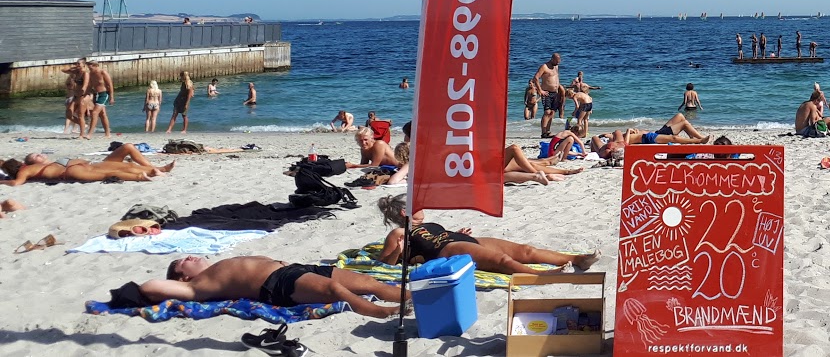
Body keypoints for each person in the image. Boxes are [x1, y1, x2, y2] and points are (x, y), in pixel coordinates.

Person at [377, 195, 597, 275]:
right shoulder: (398, 232)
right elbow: (383, 264)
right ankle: (541, 275)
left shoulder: (429, 223)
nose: (422, 205)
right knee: (502, 261)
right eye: (416, 204)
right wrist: (397, 249)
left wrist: (457, 232)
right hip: (446, 250)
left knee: (525, 250)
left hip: (457, 239)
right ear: (405, 212)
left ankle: (578, 259)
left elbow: (433, 234)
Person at [143, 255, 402, 319]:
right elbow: (151, 285)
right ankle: (377, 311)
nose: (190, 257)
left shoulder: (214, 267)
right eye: (183, 263)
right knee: (334, 290)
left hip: (296, 268)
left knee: (370, 282)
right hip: (277, 283)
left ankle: (413, 297)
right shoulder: (199, 286)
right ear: (182, 279)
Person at [3, 144, 177, 185]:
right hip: (73, 172)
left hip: (85, 166)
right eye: (35, 156)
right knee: (109, 173)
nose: (39, 155)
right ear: (23, 164)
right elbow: (16, 182)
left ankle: (156, 170)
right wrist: (3, 181)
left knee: (124, 165)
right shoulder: (25, 171)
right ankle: (142, 176)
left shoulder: (51, 163)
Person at [590, 114, 712, 158]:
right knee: (683, 124)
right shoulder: (618, 141)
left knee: (680, 116)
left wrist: (633, 131)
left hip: (655, 133)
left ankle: (695, 138)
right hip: (651, 137)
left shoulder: (620, 139)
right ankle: (699, 140)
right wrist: (630, 132)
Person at [536, 53, 562, 138]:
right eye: (556, 62)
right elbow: (536, 78)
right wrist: (540, 90)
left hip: (555, 92)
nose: (557, 64)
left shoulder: (556, 67)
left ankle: (548, 131)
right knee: (547, 112)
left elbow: (556, 78)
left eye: (559, 62)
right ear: (552, 59)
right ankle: (543, 132)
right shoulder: (544, 67)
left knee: (552, 112)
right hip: (546, 92)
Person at [61, 58, 89, 139]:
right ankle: (83, 125)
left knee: (80, 115)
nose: (77, 65)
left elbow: (85, 84)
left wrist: (83, 92)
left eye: (78, 64)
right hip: (75, 96)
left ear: (83, 64)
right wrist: (73, 67)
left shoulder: (85, 73)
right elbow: (63, 70)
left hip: (82, 96)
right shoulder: (76, 72)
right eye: (76, 64)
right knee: (69, 114)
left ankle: (82, 134)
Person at [87, 60, 115, 137]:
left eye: (91, 68)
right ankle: (108, 134)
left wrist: (111, 97)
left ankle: (89, 133)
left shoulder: (103, 72)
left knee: (94, 113)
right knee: (102, 114)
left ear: (95, 66)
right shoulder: (91, 74)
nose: (90, 69)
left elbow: (110, 84)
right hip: (96, 95)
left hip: (104, 94)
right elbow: (90, 86)